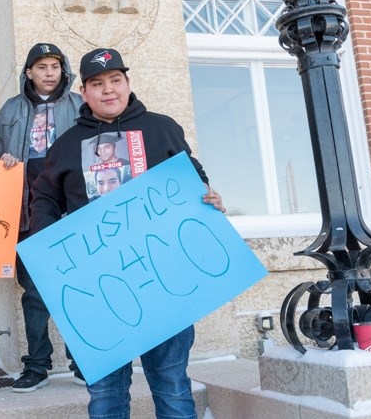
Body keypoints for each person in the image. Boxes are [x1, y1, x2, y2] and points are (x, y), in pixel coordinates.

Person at [30, 48, 225, 419]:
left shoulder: (161, 128)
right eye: (97, 84)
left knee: (172, 388)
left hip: (164, 281)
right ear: (84, 93)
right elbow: (44, 199)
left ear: (128, 83)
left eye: (115, 80)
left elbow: (192, 174)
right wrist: (48, 244)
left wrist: (206, 195)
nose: (108, 90)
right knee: (105, 395)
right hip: (98, 290)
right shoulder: (67, 145)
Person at [0, 42, 84, 392]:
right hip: (27, 210)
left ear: (63, 71)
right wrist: (3, 160)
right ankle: (38, 364)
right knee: (34, 290)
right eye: (41, 67)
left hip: (72, 210)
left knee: (77, 285)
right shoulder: (11, 109)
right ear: (28, 72)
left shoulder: (79, 104)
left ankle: (84, 360)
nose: (48, 73)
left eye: (54, 67)